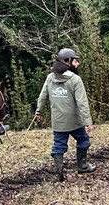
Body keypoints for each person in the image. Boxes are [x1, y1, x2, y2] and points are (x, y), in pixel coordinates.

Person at [34, 47, 95, 181]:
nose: (78, 64)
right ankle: (82, 166)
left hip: (58, 122)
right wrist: (87, 121)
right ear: (67, 62)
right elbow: (82, 102)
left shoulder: (50, 77)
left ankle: (58, 172)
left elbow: (42, 96)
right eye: (75, 61)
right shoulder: (75, 79)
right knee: (83, 140)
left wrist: (38, 112)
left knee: (58, 145)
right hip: (75, 121)